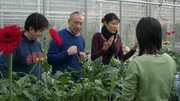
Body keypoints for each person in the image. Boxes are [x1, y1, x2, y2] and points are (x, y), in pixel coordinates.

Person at [121, 17, 177, 101]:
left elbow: (127, 97)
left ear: (140, 37)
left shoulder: (136, 63)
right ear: (159, 35)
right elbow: (172, 93)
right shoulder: (170, 61)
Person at [0, 12, 49, 79]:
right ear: (31, 29)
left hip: (38, 88)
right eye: (40, 31)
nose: (42, 34)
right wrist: (10, 85)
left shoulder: (37, 43)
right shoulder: (15, 45)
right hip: (22, 88)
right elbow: (1, 66)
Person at [47, 11, 86, 79]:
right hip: (61, 82)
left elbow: (80, 60)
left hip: (77, 82)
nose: (78, 26)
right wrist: (67, 53)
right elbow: (50, 59)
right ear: (69, 21)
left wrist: (84, 58)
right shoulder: (58, 36)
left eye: (81, 23)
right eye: (76, 22)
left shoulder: (81, 38)